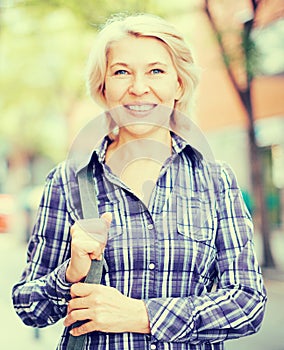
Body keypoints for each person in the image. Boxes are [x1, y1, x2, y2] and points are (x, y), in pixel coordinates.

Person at [12, 13, 267, 350]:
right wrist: (69, 273)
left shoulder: (216, 180)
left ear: (179, 84)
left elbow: (248, 303)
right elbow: (29, 306)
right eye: (121, 72)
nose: (138, 87)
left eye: (156, 71)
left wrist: (142, 315)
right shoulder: (67, 180)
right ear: (103, 87)